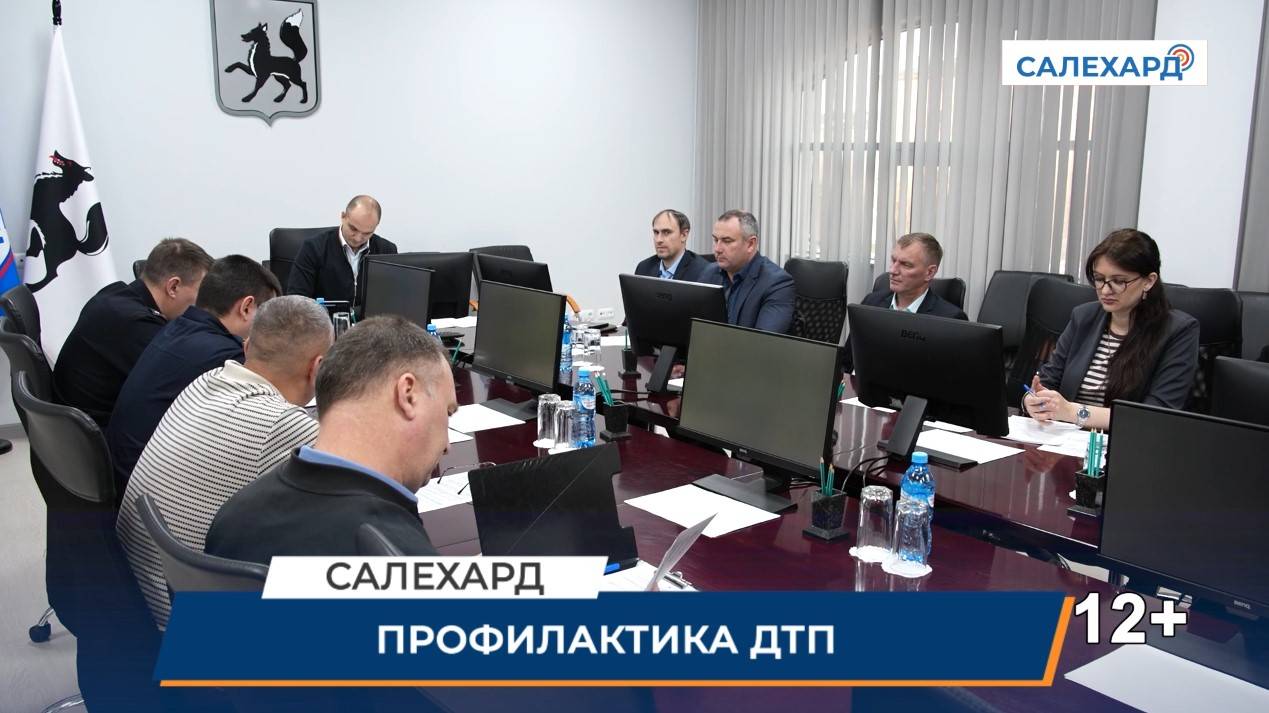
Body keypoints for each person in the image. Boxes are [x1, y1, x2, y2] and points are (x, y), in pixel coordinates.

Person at [116, 296, 332, 629]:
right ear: (317, 368)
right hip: (187, 621)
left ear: (246, 346)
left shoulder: (205, 381)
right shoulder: (282, 424)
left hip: (141, 596)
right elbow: (370, 485)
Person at [206, 315, 457, 562]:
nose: (446, 446)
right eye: (447, 412)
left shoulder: (234, 513)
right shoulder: (398, 555)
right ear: (408, 394)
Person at [106, 256, 281, 494]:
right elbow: (272, 415)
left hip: (128, 480)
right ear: (246, 307)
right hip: (155, 494)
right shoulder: (226, 357)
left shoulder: (178, 328)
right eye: (267, 315)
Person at [1024, 229, 1199, 431]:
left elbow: (1155, 414)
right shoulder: (1083, 317)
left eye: (1119, 281)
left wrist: (1073, 412)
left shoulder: (1178, 331)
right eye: (1099, 279)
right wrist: (1032, 400)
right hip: (1067, 440)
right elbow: (1047, 381)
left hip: (1127, 442)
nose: (1106, 290)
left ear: (1149, 281)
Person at [53, 238, 213, 428]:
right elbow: (194, 380)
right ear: (173, 287)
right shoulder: (136, 324)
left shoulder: (117, 294)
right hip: (98, 432)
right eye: (201, 293)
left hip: (74, 426)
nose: (203, 304)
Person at [842, 233, 967, 372]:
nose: (893, 270)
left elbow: (951, 378)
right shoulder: (871, 302)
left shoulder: (950, 319)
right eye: (893, 260)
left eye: (906, 265)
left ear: (930, 273)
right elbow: (847, 362)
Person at [285, 194, 397, 308]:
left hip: (371, 319)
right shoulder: (313, 248)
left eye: (367, 233)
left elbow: (393, 300)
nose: (358, 238)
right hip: (323, 318)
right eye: (353, 229)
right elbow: (296, 302)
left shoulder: (387, 251)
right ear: (343, 217)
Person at [700, 209, 795, 333]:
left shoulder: (777, 283)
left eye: (727, 241)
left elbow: (764, 340)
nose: (717, 249)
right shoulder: (709, 272)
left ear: (750, 244)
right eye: (715, 240)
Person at [634, 209, 709, 282]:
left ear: (684, 235)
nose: (659, 240)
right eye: (656, 232)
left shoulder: (703, 272)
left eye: (666, 232)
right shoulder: (644, 268)